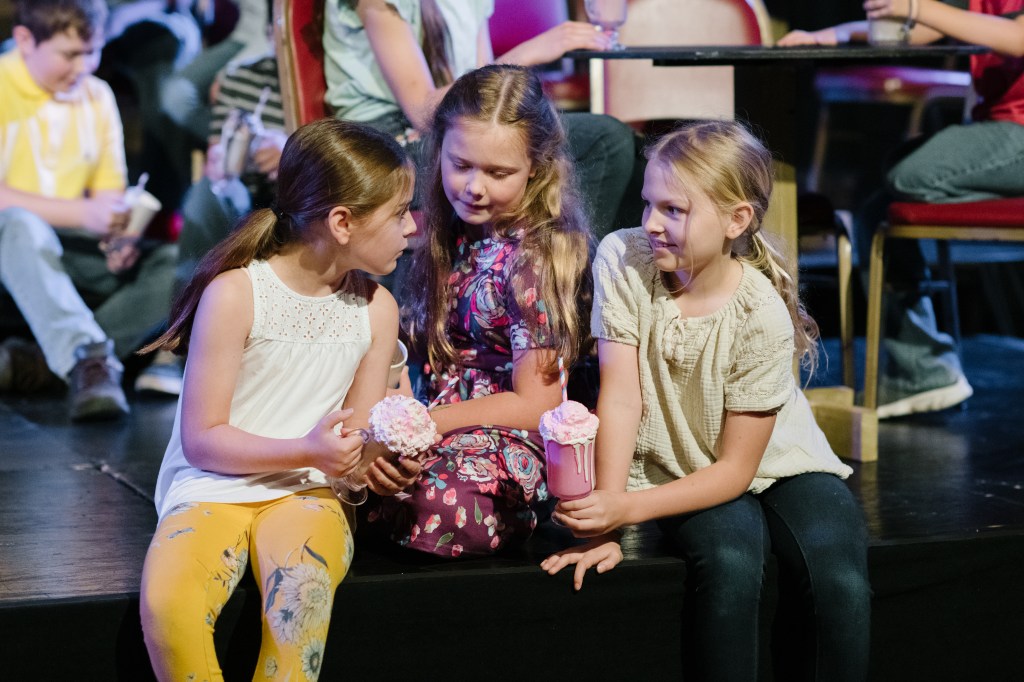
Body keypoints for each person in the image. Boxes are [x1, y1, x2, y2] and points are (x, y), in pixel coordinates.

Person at [541, 121, 871, 681]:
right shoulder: (624, 257)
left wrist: (627, 510)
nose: (651, 222)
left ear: (736, 220)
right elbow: (621, 398)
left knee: (838, 576)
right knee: (731, 560)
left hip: (775, 462)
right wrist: (607, 521)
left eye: (674, 210)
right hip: (679, 463)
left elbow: (738, 468)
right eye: (648, 202)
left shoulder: (760, 313)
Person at [139, 118, 420, 680]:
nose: (412, 226)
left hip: (309, 491)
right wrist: (308, 449)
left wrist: (380, 453)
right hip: (214, 484)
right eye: (399, 213)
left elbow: (353, 445)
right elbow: (203, 440)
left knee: (300, 599)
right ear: (342, 222)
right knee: (171, 607)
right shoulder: (236, 294)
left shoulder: (376, 309)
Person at [363, 64, 592, 558]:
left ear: (537, 167)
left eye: (498, 173)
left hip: (507, 437)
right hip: (430, 421)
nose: (474, 187)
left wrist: (431, 423)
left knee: (434, 501)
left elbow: (536, 405)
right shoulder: (441, 235)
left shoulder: (535, 259)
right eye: (461, 164)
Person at [778, 0, 1024, 418]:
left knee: (909, 173)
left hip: (1015, 135)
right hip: (1000, 134)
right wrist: (834, 34)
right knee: (878, 212)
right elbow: (917, 28)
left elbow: (1016, 37)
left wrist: (918, 5)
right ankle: (922, 369)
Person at [323, 0, 640, 241]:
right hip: (387, 146)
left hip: (459, 129)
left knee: (630, 152)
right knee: (606, 141)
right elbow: (422, 111)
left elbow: (484, 101)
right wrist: (529, 52)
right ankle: (566, 274)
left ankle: (560, 270)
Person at [0, 0, 178, 420]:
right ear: (25, 40)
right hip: (12, 248)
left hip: (74, 249)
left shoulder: (96, 95)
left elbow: (107, 196)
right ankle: (88, 355)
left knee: (176, 264)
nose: (83, 66)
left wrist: (120, 234)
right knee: (21, 225)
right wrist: (84, 214)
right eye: (70, 54)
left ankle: (50, 365)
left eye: (92, 52)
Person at [135, 48, 287, 396]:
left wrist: (290, 151)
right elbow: (220, 154)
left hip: (298, 204)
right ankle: (176, 347)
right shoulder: (244, 76)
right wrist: (224, 161)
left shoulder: (332, 81)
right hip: (245, 201)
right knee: (206, 192)